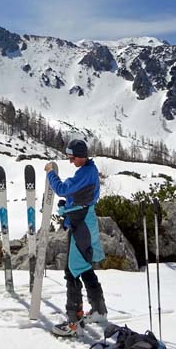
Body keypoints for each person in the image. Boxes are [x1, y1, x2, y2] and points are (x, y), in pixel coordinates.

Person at [44, 139, 107, 337]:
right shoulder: (89, 169)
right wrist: (69, 206)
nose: (70, 161)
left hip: (82, 229)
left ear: (80, 156)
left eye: (72, 158)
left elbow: (62, 189)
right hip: (85, 222)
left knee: (71, 272)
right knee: (85, 267)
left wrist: (50, 174)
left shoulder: (86, 173)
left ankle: (74, 322)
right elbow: (79, 195)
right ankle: (98, 311)